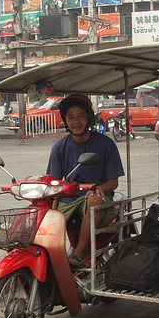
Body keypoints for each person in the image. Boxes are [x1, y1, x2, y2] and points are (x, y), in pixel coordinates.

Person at [46, 94, 125, 268]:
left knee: (94, 198)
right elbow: (54, 182)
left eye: (81, 116)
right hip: (68, 198)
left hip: (97, 197)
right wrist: (51, 205)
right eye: (71, 118)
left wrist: (99, 189)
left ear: (88, 118)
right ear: (65, 121)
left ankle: (78, 253)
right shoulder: (59, 146)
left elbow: (113, 182)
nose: (76, 122)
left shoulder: (106, 144)